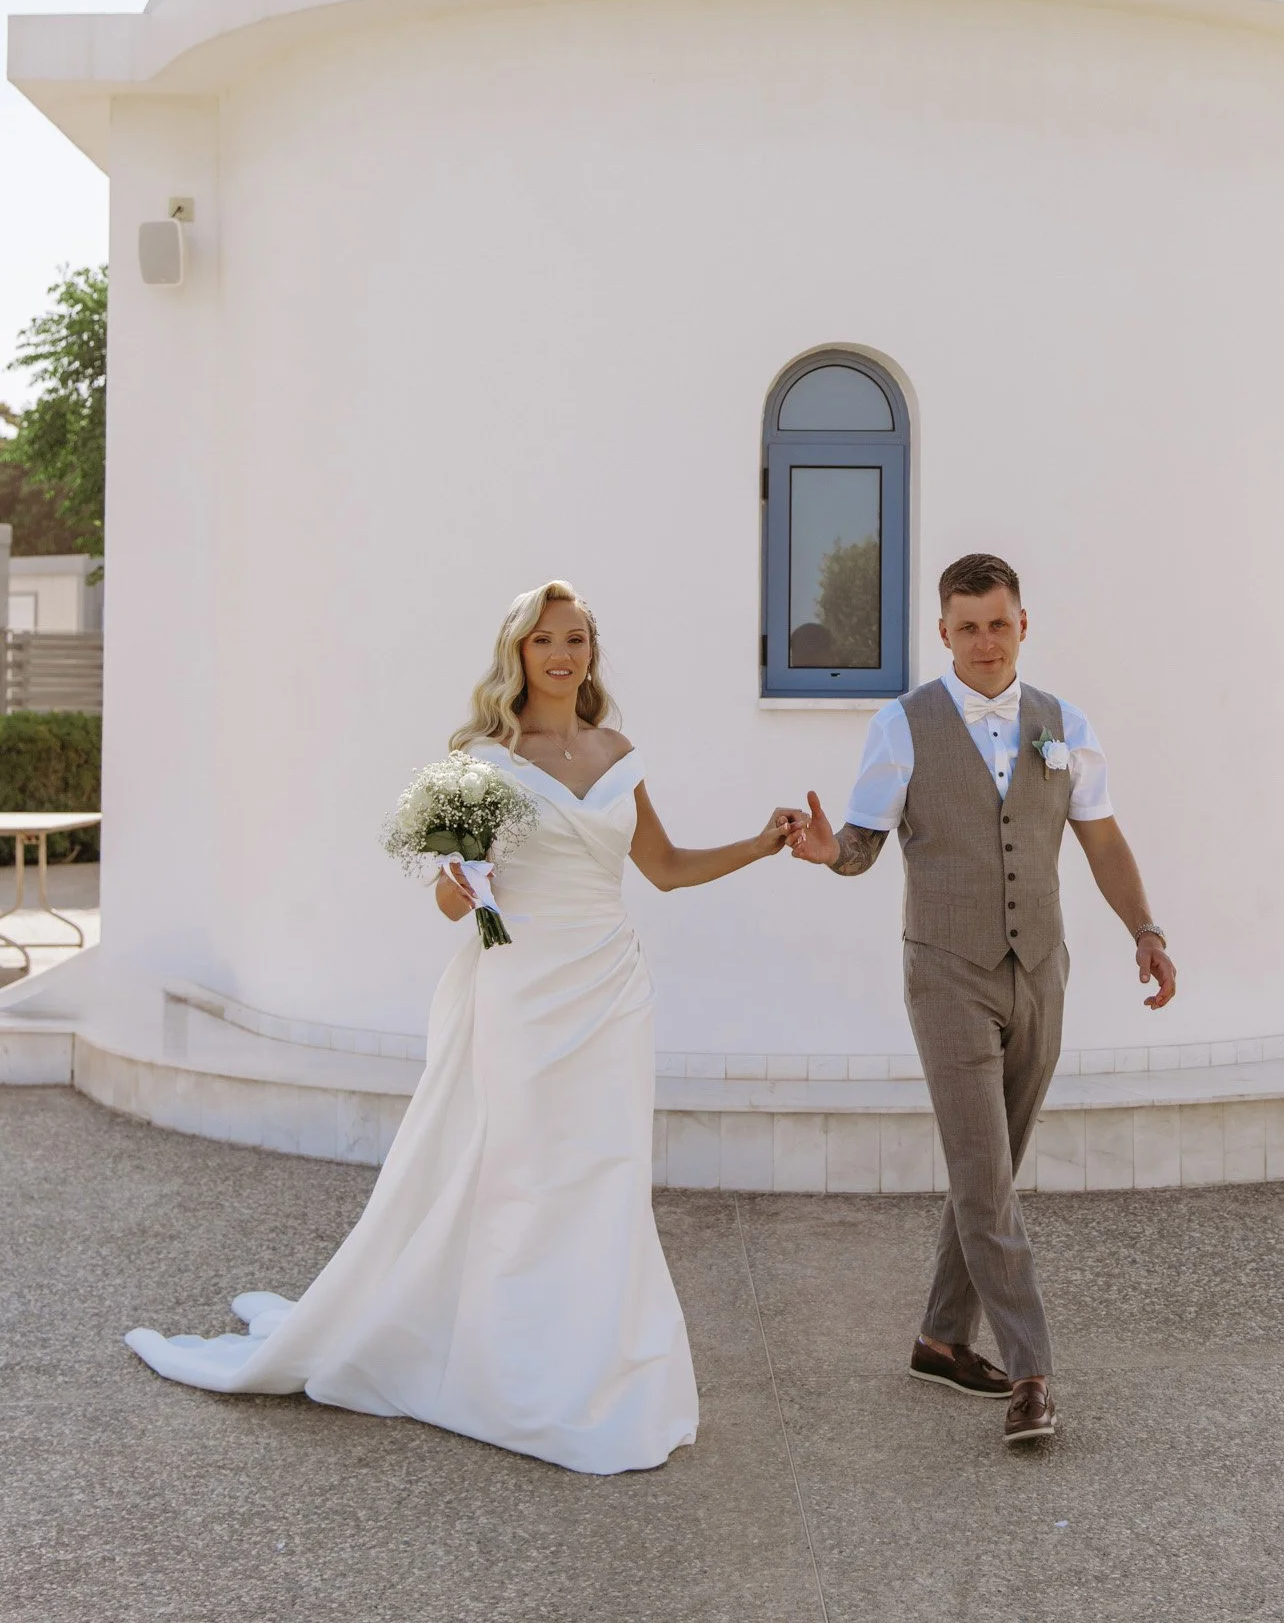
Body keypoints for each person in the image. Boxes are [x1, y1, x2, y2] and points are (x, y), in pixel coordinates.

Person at [125, 579, 805, 1474]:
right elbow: (454, 905)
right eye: (543, 641)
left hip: (610, 990)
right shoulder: (482, 760)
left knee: (605, 1175)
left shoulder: (617, 750)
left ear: (591, 652)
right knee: (524, 1177)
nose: (562, 654)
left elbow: (666, 870)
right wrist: (458, 880)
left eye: (576, 639)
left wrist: (759, 843)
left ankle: (599, 1374)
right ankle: (507, 1373)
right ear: (517, 653)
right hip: (521, 991)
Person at [791, 553, 1175, 1446]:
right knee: (983, 1178)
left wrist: (1145, 932)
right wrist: (825, 854)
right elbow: (859, 845)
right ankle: (1031, 1373)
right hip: (945, 972)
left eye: (998, 623)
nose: (984, 641)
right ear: (943, 634)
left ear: (1022, 625)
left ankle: (938, 1338)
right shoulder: (901, 725)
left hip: (1040, 967)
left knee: (990, 1173)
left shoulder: (1063, 724)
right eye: (967, 627)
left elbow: (1103, 841)